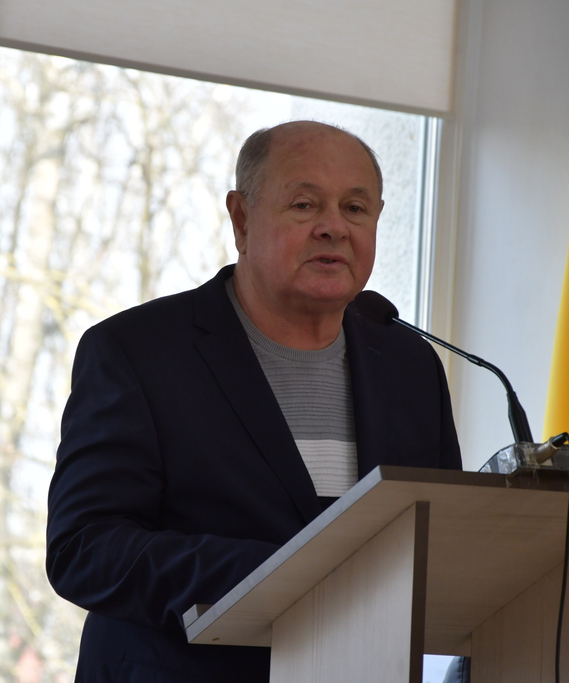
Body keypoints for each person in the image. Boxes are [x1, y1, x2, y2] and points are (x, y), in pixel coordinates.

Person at [46, 120, 462, 682]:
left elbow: (440, 544)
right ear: (241, 219)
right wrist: (280, 575)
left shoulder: (411, 365)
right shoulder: (138, 351)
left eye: (355, 209)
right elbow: (83, 547)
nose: (334, 228)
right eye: (304, 205)